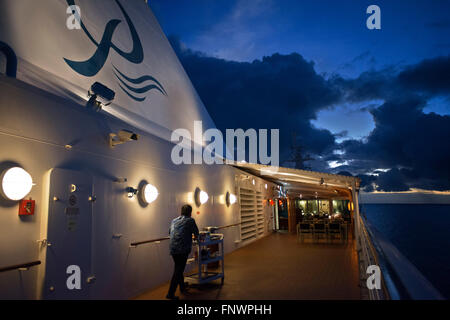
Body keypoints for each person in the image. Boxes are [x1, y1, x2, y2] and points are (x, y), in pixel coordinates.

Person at [166, 204, 199, 300]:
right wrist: (194, 238)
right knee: (178, 270)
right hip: (183, 249)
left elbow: (169, 232)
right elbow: (196, 234)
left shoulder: (174, 220)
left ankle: (182, 287)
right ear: (190, 212)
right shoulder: (190, 220)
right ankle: (170, 293)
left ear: (181, 211)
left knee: (178, 268)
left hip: (173, 248)